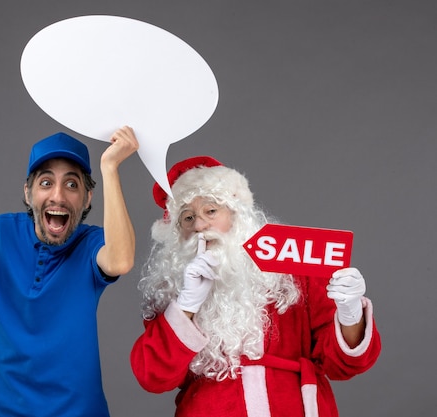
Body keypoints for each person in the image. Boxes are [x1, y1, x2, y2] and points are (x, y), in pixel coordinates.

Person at [130, 156, 381, 417]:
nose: (200, 226)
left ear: (237, 213)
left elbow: (346, 366)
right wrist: (186, 306)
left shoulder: (293, 270)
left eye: (211, 211)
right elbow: (152, 377)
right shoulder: (173, 291)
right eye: (188, 218)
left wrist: (350, 314)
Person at [0, 126, 138, 417]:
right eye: (46, 183)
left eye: (73, 185)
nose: (58, 196)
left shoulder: (91, 244)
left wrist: (110, 167)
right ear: (28, 193)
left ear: (88, 198)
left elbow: (120, 261)